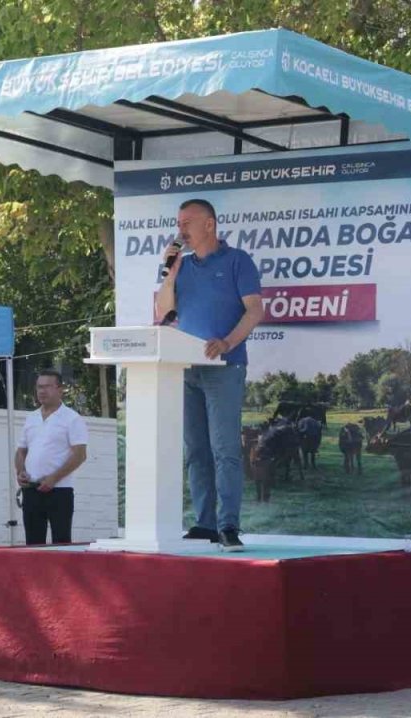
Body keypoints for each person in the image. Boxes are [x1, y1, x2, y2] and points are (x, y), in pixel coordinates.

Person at [157, 198, 265, 551]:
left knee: (225, 449)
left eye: (187, 222)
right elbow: (164, 312)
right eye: (179, 223)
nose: (181, 230)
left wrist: (228, 342)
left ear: (210, 224)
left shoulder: (238, 261)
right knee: (196, 449)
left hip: (224, 368)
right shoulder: (182, 267)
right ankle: (205, 522)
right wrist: (170, 274)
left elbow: (255, 310)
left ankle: (228, 525)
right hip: (186, 370)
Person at [15, 370, 89, 545]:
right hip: (32, 490)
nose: (42, 391)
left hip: (60, 491)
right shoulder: (31, 418)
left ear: (60, 389)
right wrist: (20, 472)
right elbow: (21, 451)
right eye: (39, 387)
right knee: (33, 543)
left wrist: (54, 478)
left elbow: (80, 455)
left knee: (61, 542)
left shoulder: (72, 419)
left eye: (48, 386)